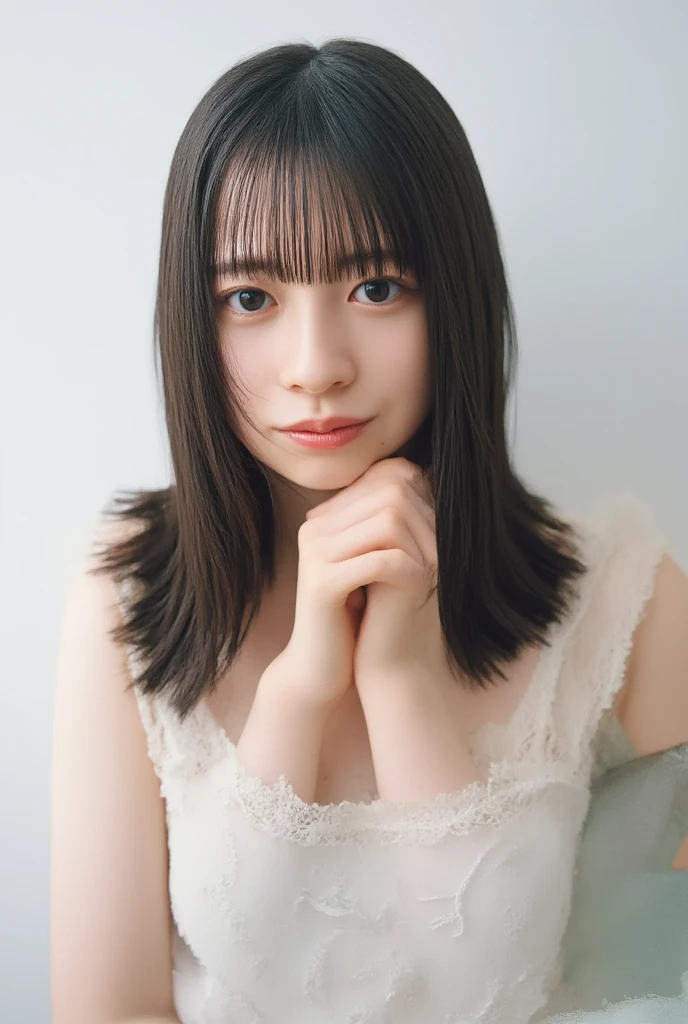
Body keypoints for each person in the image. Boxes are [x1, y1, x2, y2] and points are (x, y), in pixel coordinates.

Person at [50, 38, 688, 1024]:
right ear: (192, 317)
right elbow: (109, 1011)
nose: (315, 365)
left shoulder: (631, 606)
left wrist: (398, 676)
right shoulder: (125, 604)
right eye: (251, 297)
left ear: (456, 294)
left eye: (376, 285)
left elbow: (637, 989)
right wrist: (303, 683)